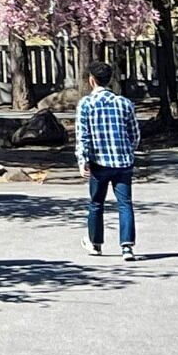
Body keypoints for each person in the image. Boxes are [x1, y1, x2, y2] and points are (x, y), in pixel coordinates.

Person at [75, 60, 141, 261]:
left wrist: (82, 160)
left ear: (91, 80)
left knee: (96, 203)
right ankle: (127, 247)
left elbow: (82, 135)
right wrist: (128, 151)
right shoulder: (124, 103)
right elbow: (135, 134)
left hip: (99, 162)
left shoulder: (86, 104)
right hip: (123, 162)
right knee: (125, 204)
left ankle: (96, 244)